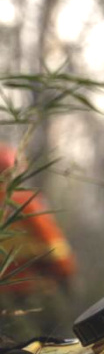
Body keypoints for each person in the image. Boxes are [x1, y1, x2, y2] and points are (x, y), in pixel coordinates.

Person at [0, 145, 76, 339]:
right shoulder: (22, 202)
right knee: (54, 342)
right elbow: (56, 249)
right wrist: (66, 276)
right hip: (30, 293)